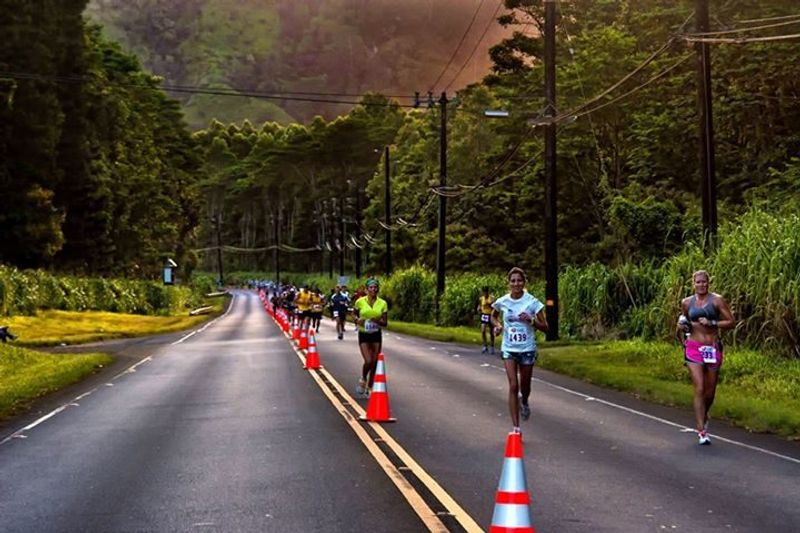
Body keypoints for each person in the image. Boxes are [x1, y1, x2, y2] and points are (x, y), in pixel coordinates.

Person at [678, 270, 734, 445]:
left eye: (704, 282)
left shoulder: (717, 300)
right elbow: (684, 320)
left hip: (711, 348)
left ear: (708, 283)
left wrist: (712, 323)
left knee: (710, 392)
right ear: (693, 283)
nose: (701, 285)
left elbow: (731, 322)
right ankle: (701, 430)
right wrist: (681, 326)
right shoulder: (687, 302)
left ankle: (704, 414)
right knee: (700, 387)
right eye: (698, 282)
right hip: (694, 347)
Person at [491, 267, 548, 435]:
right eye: (513, 281)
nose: (516, 284)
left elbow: (546, 327)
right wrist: (498, 326)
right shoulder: (503, 301)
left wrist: (531, 321)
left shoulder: (532, 302)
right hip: (509, 349)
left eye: (519, 280)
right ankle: (516, 428)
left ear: (524, 282)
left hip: (527, 349)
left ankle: (525, 401)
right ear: (509, 283)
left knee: (525, 387)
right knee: (513, 386)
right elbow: (494, 316)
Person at [352, 278, 389, 397]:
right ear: (367, 289)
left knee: (375, 362)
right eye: (371, 287)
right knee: (368, 360)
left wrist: (377, 320)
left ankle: (370, 387)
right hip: (363, 333)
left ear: (378, 289)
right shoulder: (360, 301)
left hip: (376, 334)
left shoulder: (382, 303)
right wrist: (357, 320)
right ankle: (363, 378)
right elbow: (354, 313)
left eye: (375, 287)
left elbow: (385, 323)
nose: (373, 289)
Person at [477, 286, 496, 354]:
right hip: (484, 315)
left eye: (486, 292)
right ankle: (485, 345)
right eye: (484, 292)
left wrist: (490, 304)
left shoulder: (492, 298)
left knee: (491, 331)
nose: (485, 293)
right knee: (483, 330)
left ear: (488, 292)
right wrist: (479, 308)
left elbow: (494, 306)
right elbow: (479, 305)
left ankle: (492, 346)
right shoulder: (481, 299)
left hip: (490, 315)